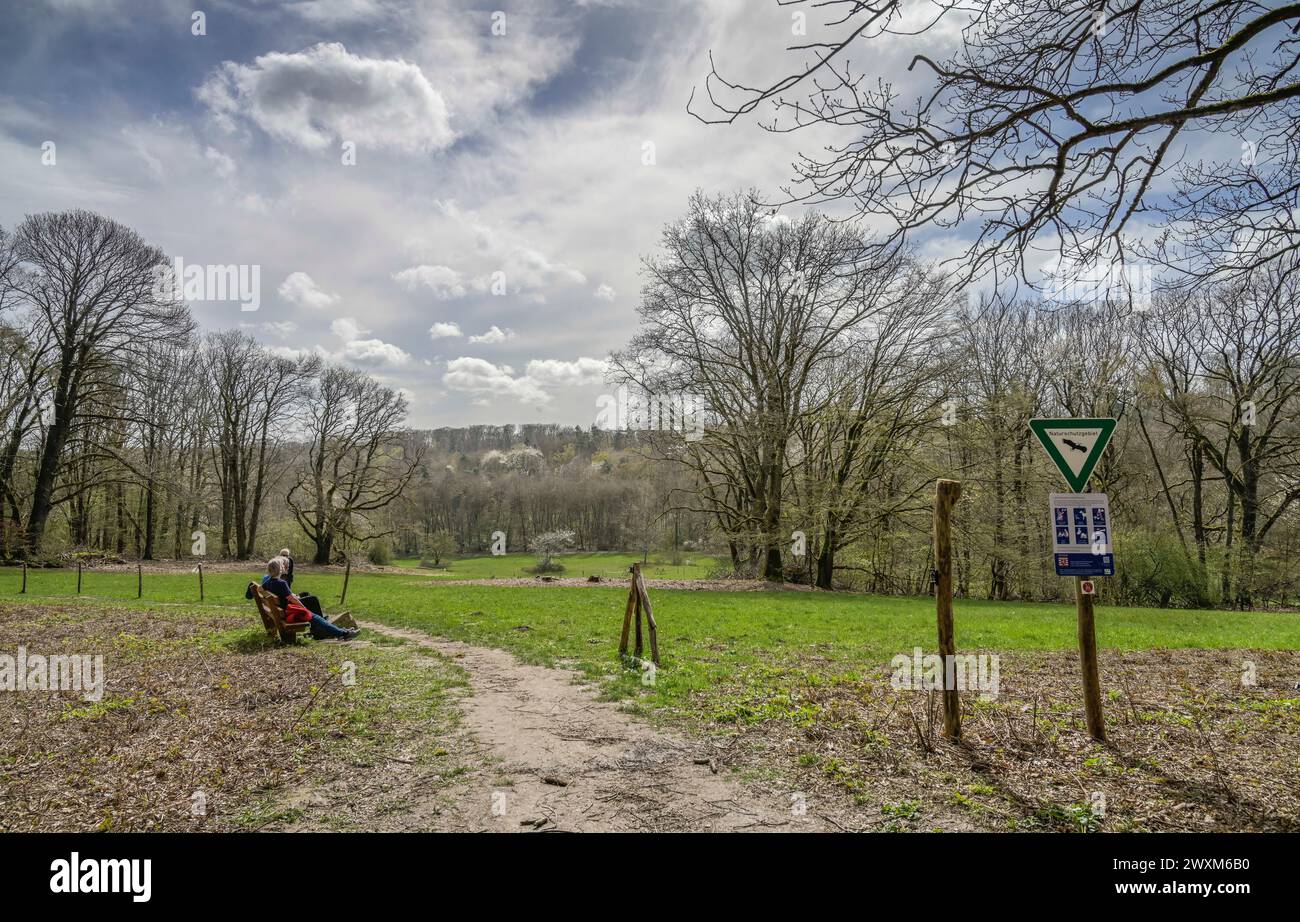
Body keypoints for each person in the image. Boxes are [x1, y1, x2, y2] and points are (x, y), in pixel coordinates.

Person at [246, 558, 358, 641]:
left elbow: (259, 588)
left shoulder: (268, 582)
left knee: (316, 617)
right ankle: (344, 634)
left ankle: (341, 631)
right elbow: (292, 599)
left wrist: (264, 591)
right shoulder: (281, 583)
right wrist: (304, 607)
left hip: (282, 610)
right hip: (290, 611)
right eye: (282, 566)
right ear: (280, 569)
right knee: (316, 617)